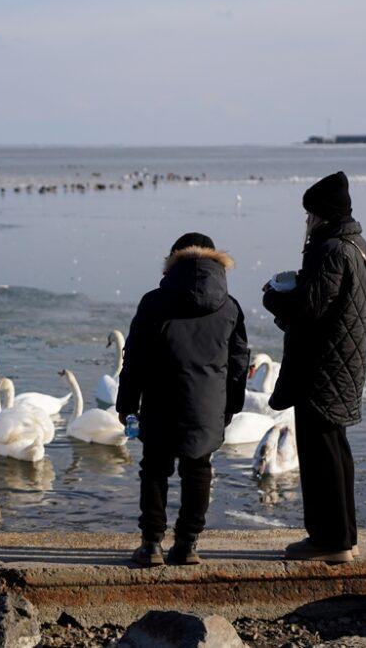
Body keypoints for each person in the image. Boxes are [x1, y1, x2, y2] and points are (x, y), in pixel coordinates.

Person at [117, 233, 249, 567]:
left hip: (161, 398)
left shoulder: (154, 302)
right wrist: (230, 406)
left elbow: (134, 357)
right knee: (198, 469)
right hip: (207, 404)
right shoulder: (229, 307)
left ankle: (151, 546)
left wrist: (127, 404)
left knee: (155, 470)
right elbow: (238, 364)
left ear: (173, 260)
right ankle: (188, 544)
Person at [263, 171, 366, 563]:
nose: (306, 221)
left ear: (322, 214)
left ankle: (329, 541)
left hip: (322, 365)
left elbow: (311, 308)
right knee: (335, 450)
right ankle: (344, 537)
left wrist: (274, 299)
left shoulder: (329, 250)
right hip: (344, 361)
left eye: (309, 213)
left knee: (320, 453)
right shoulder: (358, 246)